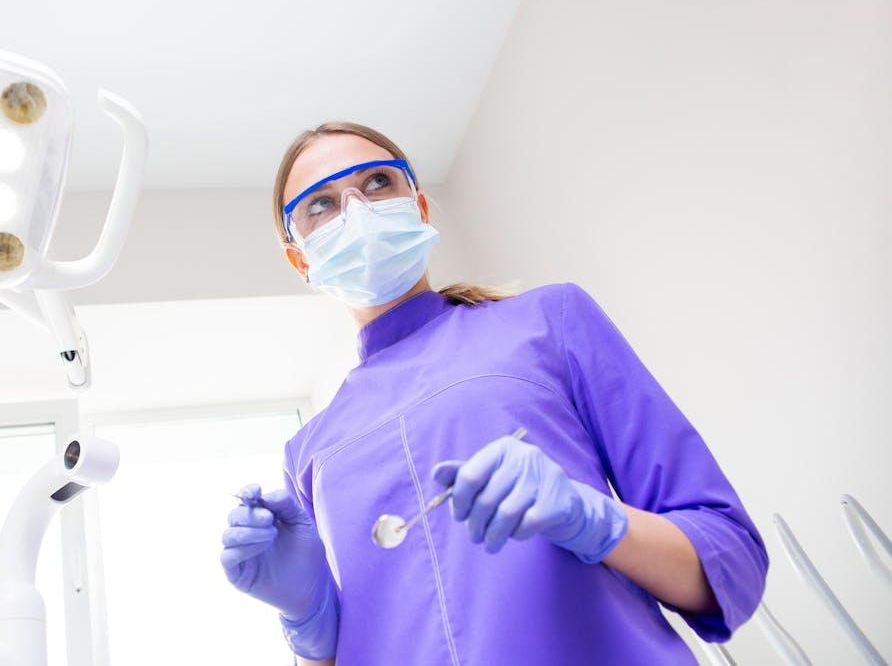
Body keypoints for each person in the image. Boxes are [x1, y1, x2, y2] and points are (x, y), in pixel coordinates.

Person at [218, 122, 768, 665]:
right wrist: (309, 624)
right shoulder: (309, 450)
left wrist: (595, 520)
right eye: (321, 204)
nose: (357, 211)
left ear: (420, 206)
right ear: (300, 260)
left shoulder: (549, 321)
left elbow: (729, 561)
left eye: (378, 182)